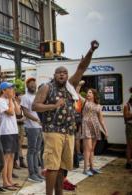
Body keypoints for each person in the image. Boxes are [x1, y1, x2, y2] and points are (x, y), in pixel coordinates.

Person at [32, 40, 99, 195]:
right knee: (53, 166)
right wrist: (53, 106)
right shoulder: (47, 87)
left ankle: (59, 193)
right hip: (53, 130)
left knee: (63, 166)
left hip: (68, 131)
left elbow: (82, 68)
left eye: (65, 72)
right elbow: (35, 106)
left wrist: (91, 51)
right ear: (54, 75)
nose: (62, 74)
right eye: (59, 72)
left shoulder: (70, 86)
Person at [0, 81, 22, 191]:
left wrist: (13, 99)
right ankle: (5, 181)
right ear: (3, 90)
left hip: (13, 131)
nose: (12, 90)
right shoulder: (0, 100)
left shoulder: (9, 100)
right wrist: (11, 99)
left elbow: (18, 112)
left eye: (12, 88)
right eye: (10, 89)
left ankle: (10, 180)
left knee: (11, 157)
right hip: (5, 132)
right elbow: (10, 112)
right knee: (6, 158)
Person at [21, 77, 44, 183]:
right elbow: (25, 112)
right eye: (31, 84)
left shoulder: (37, 96)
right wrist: (36, 119)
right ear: (27, 86)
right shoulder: (25, 97)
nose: (33, 85)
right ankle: (31, 174)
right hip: (31, 127)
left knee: (36, 151)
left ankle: (36, 172)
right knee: (31, 151)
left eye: (34, 84)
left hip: (39, 127)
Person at [80, 88, 108, 176]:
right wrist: (79, 85)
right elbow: (76, 93)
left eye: (90, 92)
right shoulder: (84, 101)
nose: (88, 93)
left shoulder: (98, 106)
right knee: (87, 149)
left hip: (95, 127)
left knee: (92, 149)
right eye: (87, 92)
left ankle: (92, 168)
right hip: (86, 126)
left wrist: (106, 131)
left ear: (94, 95)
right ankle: (85, 169)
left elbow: (101, 120)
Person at [124, 94, 132, 169]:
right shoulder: (127, 106)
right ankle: (128, 163)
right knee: (129, 145)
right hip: (129, 126)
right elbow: (126, 116)